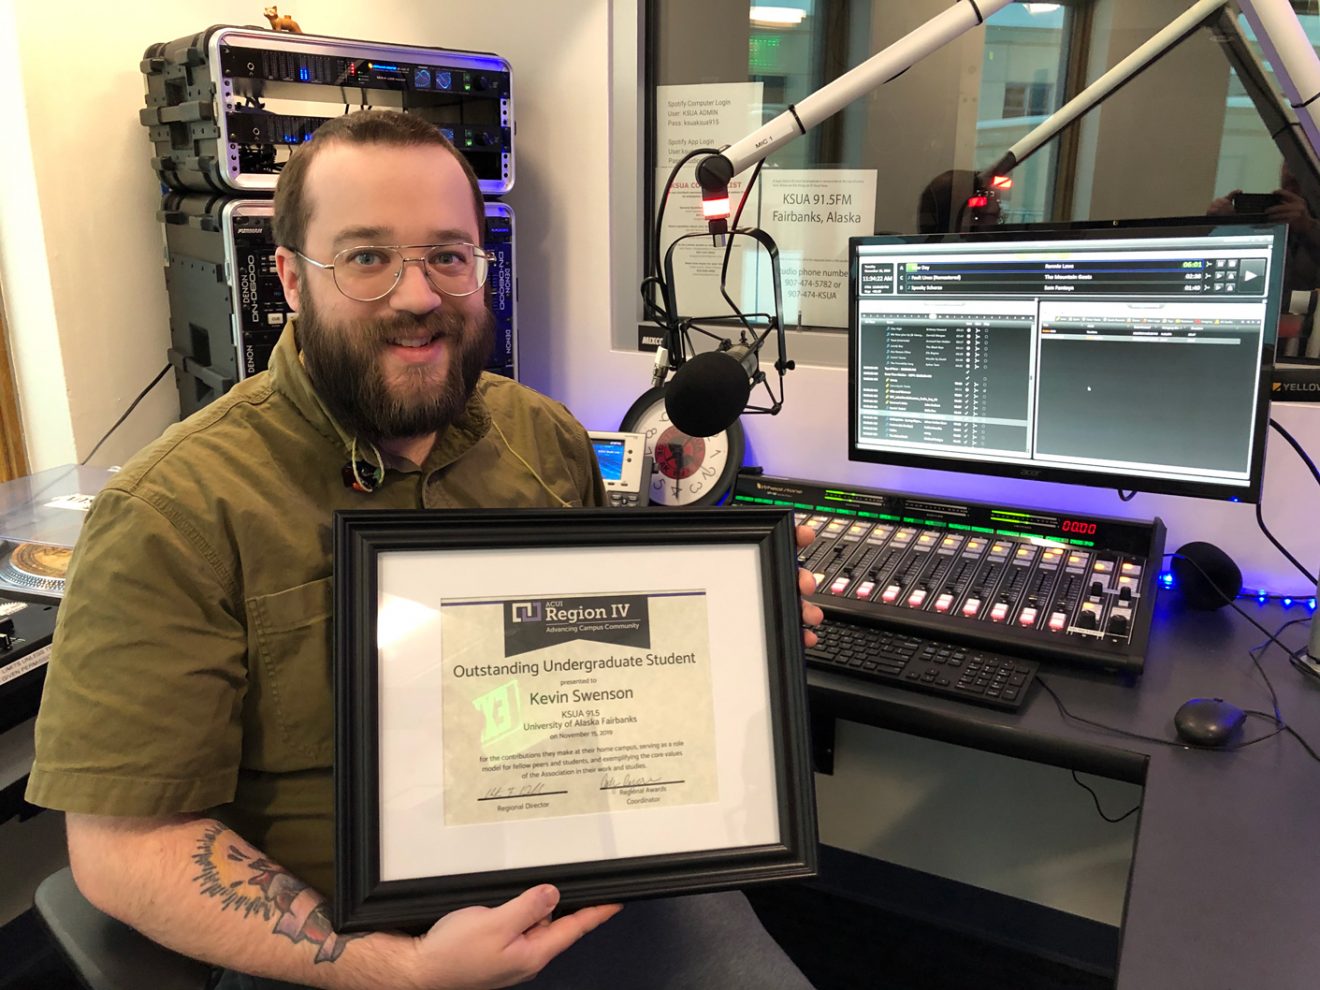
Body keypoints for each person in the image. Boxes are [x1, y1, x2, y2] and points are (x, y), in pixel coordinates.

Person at [26, 110, 822, 989]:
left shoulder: (543, 435)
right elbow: (123, 848)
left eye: (447, 256)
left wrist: (730, 634)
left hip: (586, 877)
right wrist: (400, 971)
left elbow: (594, 667)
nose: (416, 296)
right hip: (350, 949)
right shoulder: (172, 512)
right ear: (290, 277)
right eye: (366, 257)